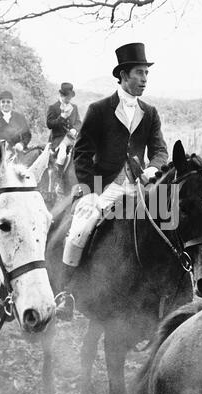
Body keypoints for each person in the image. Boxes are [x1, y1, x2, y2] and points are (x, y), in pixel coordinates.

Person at [56, 43, 168, 320]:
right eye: (139, 73)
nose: (144, 79)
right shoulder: (99, 109)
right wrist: (90, 191)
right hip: (104, 187)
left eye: (146, 74)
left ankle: (171, 287)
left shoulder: (150, 112)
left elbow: (160, 150)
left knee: (172, 218)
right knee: (80, 227)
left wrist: (153, 170)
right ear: (123, 75)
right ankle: (67, 292)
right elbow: (82, 153)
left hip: (139, 186)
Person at [46, 82, 82, 194]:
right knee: (61, 155)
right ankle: (58, 182)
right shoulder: (53, 107)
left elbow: (78, 122)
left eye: (70, 97)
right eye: (67, 97)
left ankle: (82, 181)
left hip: (72, 137)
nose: (69, 99)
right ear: (62, 95)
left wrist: (75, 129)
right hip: (58, 138)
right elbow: (49, 124)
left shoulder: (74, 107)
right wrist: (61, 117)